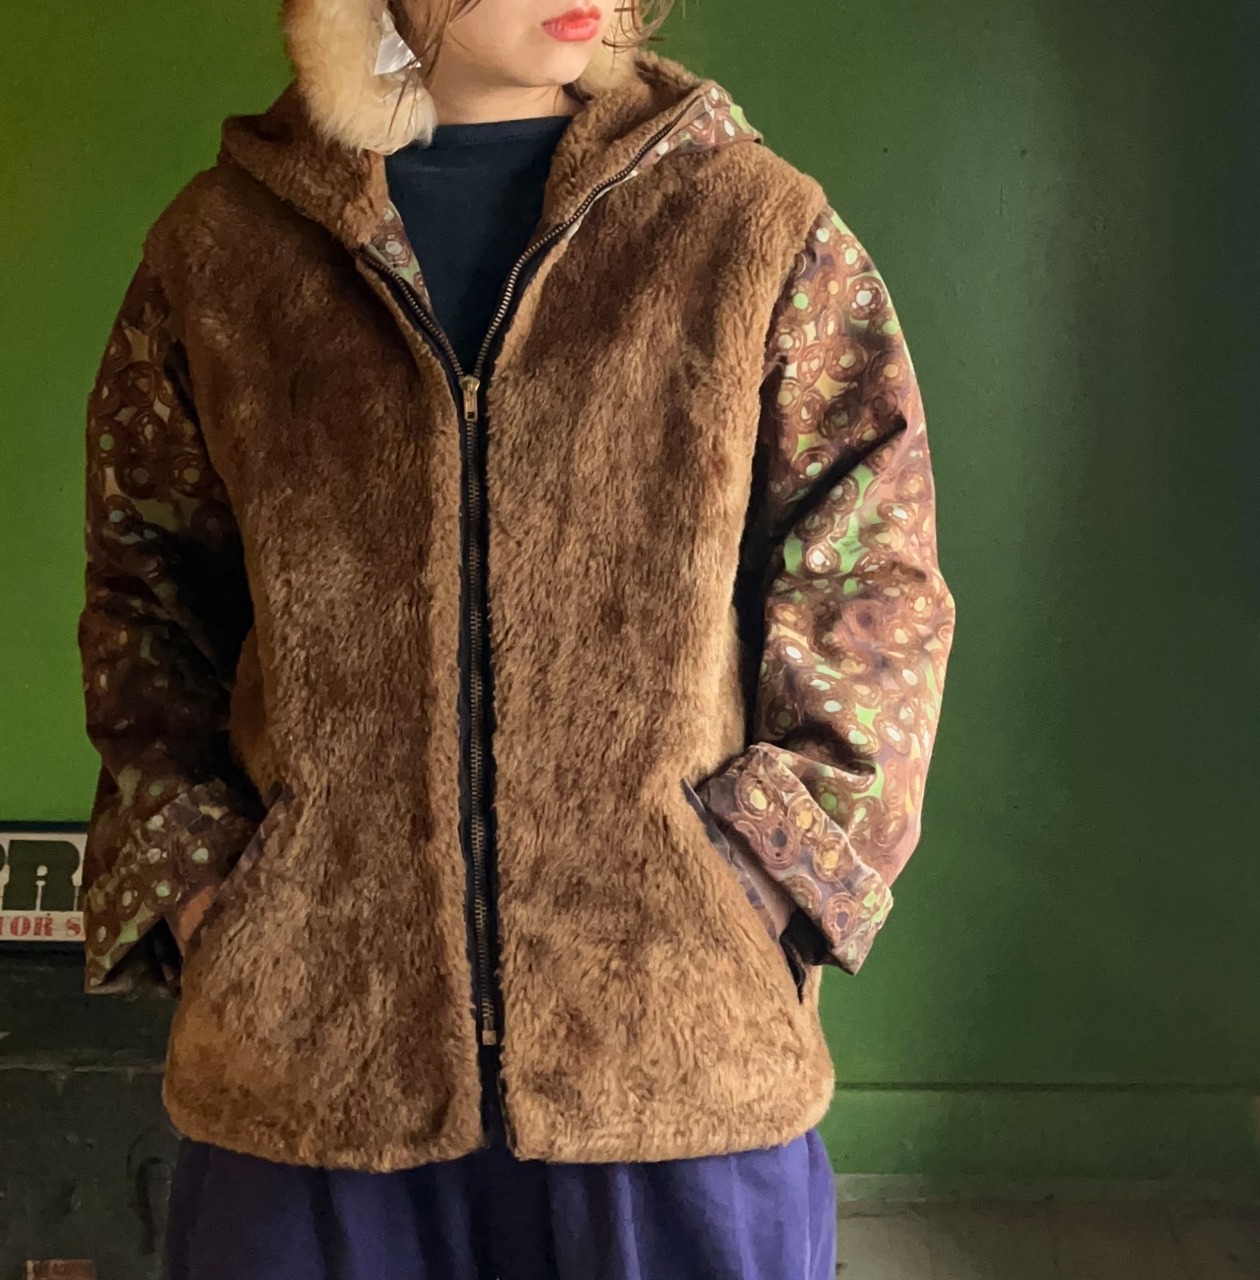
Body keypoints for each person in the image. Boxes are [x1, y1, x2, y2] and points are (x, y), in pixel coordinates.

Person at [76, 0, 956, 1275]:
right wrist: (213, 889)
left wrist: (760, 879)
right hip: (308, 1063)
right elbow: (147, 588)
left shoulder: (749, 227)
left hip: (671, 1066)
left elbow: (870, 581)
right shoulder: (221, 253)